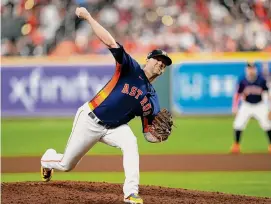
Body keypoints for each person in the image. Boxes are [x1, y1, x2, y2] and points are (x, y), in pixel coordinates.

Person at [40, 7, 173, 204]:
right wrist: (88, 17)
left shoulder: (153, 99)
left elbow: (148, 131)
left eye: (164, 63)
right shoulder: (130, 67)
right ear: (148, 60)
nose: (161, 64)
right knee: (67, 164)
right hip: (91, 118)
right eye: (158, 60)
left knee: (131, 143)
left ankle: (130, 193)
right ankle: (47, 159)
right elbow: (110, 42)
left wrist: (158, 136)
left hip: (115, 128)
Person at [231, 62, 271, 154]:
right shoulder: (243, 80)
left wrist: (269, 109)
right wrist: (235, 107)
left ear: (255, 70)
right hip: (246, 105)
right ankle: (236, 145)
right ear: (247, 70)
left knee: (267, 124)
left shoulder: (261, 80)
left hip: (259, 105)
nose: (251, 70)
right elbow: (237, 94)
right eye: (249, 68)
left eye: (252, 68)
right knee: (238, 124)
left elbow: (267, 95)